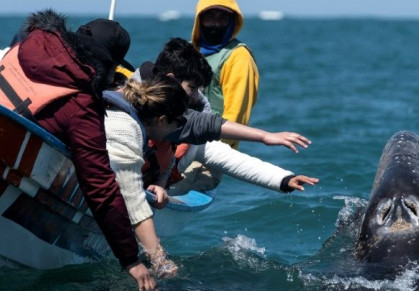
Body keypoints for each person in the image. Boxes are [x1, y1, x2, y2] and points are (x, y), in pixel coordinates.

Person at [0, 9, 155, 291]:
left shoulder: (25, 46)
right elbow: (100, 187)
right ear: (109, 65)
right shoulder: (82, 105)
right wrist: (130, 260)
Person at [102, 73, 314, 277]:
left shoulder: (162, 123)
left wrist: (283, 178)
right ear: (162, 119)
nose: (181, 130)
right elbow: (132, 198)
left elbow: (226, 151)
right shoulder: (123, 129)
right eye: (177, 124)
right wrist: (159, 260)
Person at [141, 38, 318, 197]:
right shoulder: (127, 109)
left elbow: (229, 158)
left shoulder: (189, 131)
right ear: (170, 79)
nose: (196, 96)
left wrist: (283, 179)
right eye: (192, 87)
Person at [191, 0, 258, 149]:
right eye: (210, 17)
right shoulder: (188, 52)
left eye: (223, 18)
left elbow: (237, 114)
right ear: (199, 20)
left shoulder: (238, 56)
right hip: (178, 145)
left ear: (232, 22)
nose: (216, 24)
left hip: (211, 149)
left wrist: (216, 149)